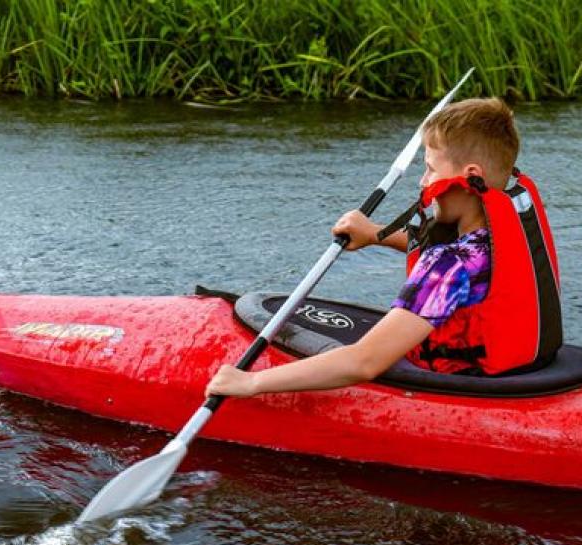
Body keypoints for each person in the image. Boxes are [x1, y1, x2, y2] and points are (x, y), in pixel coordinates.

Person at [206, 97, 561, 398]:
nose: (423, 182)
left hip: (469, 380)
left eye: (430, 169)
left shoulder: (447, 265)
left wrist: (251, 381)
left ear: (470, 176)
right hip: (525, 363)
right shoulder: (498, 235)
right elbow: (461, 265)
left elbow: (364, 362)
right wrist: (376, 234)